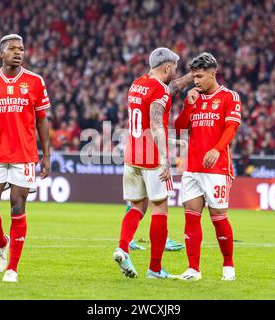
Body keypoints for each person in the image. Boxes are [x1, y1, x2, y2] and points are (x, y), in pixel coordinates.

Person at [0, 34, 51, 283]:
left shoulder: (35, 81)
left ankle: (12, 269)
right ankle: (2, 243)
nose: (18, 52)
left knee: (18, 207)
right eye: (12, 49)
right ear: (1, 54)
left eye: (22, 49)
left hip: (24, 155)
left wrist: (46, 155)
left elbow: (42, 120)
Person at [113, 47, 192, 279]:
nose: (175, 71)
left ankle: (122, 247)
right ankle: (155, 269)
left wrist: (190, 76)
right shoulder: (159, 90)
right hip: (152, 157)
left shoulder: (137, 83)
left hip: (131, 156)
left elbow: (168, 89)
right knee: (160, 208)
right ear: (167, 67)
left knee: (137, 206)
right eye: (175, 68)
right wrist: (165, 160)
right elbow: (157, 124)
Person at [174, 53, 241, 281]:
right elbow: (180, 127)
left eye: (200, 76)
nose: (196, 81)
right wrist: (188, 106)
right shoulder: (193, 98)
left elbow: (231, 128)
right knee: (191, 217)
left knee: (218, 218)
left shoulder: (229, 97)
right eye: (193, 76)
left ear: (213, 73)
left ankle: (228, 267)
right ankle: (193, 269)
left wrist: (217, 149)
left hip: (217, 169)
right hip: (193, 167)